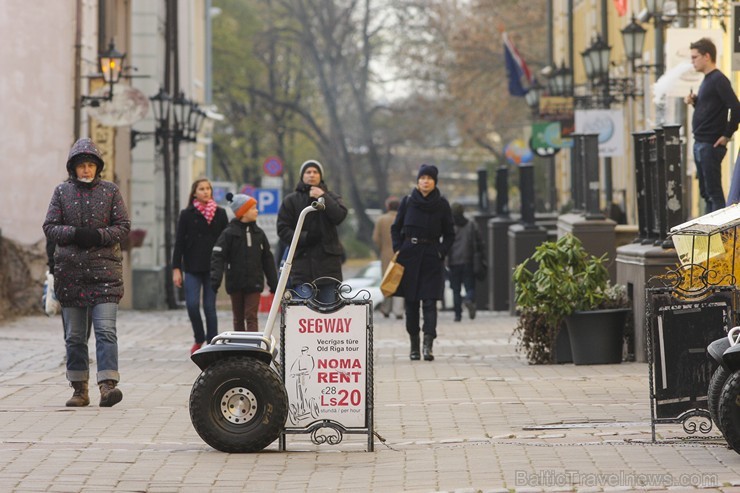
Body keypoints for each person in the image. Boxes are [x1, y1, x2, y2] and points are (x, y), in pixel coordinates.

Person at [43, 138, 130, 407]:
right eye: (82, 165)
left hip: (105, 274)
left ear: (97, 167)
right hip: (71, 274)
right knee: (75, 336)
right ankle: (79, 388)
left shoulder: (110, 191)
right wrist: (75, 234)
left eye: (91, 165)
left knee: (106, 330)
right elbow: (50, 226)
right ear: (73, 168)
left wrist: (99, 236)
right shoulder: (61, 192)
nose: (86, 170)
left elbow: (123, 226)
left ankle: (107, 385)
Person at [391, 164, 455, 361]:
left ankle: (428, 345)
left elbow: (450, 234)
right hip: (409, 256)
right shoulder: (408, 202)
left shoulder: (442, 204)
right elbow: (396, 227)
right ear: (417, 181)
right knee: (411, 304)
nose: (425, 181)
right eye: (422, 178)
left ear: (435, 182)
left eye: (429, 178)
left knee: (430, 303)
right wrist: (399, 249)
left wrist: (440, 251)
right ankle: (414, 345)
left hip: (431, 258)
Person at [277, 160, 348, 303]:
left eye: (315, 172)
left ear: (320, 176)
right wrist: (305, 237)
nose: (312, 175)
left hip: (328, 265)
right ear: (302, 176)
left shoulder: (331, 197)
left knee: (328, 312)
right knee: (305, 310)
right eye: (308, 172)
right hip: (302, 265)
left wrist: (324, 197)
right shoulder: (291, 200)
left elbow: (339, 216)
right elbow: (283, 229)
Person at [172, 178, 228, 354]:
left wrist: (226, 264)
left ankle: (212, 343)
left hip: (212, 267)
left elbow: (227, 242)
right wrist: (176, 269)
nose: (205, 191)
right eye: (201, 189)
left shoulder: (220, 213)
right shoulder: (187, 214)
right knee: (192, 305)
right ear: (194, 193)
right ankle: (199, 338)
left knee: (210, 307)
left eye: (208, 188)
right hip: (192, 267)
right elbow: (179, 242)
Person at [684, 37, 740, 213]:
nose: (692, 61)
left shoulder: (718, 79)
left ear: (706, 56)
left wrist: (727, 134)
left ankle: (717, 237)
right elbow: (712, 108)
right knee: (707, 193)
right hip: (702, 142)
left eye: (695, 57)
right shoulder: (708, 80)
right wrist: (696, 102)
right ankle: (709, 235)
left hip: (710, 144)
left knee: (714, 193)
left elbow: (736, 107)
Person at [211, 193, 278, 332]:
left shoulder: (259, 234)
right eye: (253, 208)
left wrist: (274, 284)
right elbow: (218, 255)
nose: (256, 211)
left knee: (251, 316)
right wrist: (215, 279)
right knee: (238, 317)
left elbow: (267, 259)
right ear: (242, 212)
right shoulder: (229, 233)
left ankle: (252, 348)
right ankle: (239, 347)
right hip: (235, 282)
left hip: (255, 282)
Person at [447, 202, 483, 322]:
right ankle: (468, 299)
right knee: (470, 286)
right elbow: (479, 241)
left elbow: (446, 244)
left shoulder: (449, 226)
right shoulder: (471, 224)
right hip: (468, 260)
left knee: (455, 289)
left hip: (453, 262)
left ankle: (458, 315)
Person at [372, 196, 403, 319]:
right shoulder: (403, 218)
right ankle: (398, 310)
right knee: (399, 282)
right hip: (401, 254)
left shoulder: (381, 220)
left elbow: (375, 238)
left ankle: (386, 308)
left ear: (387, 206)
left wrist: (382, 248)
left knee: (386, 281)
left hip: (386, 254)